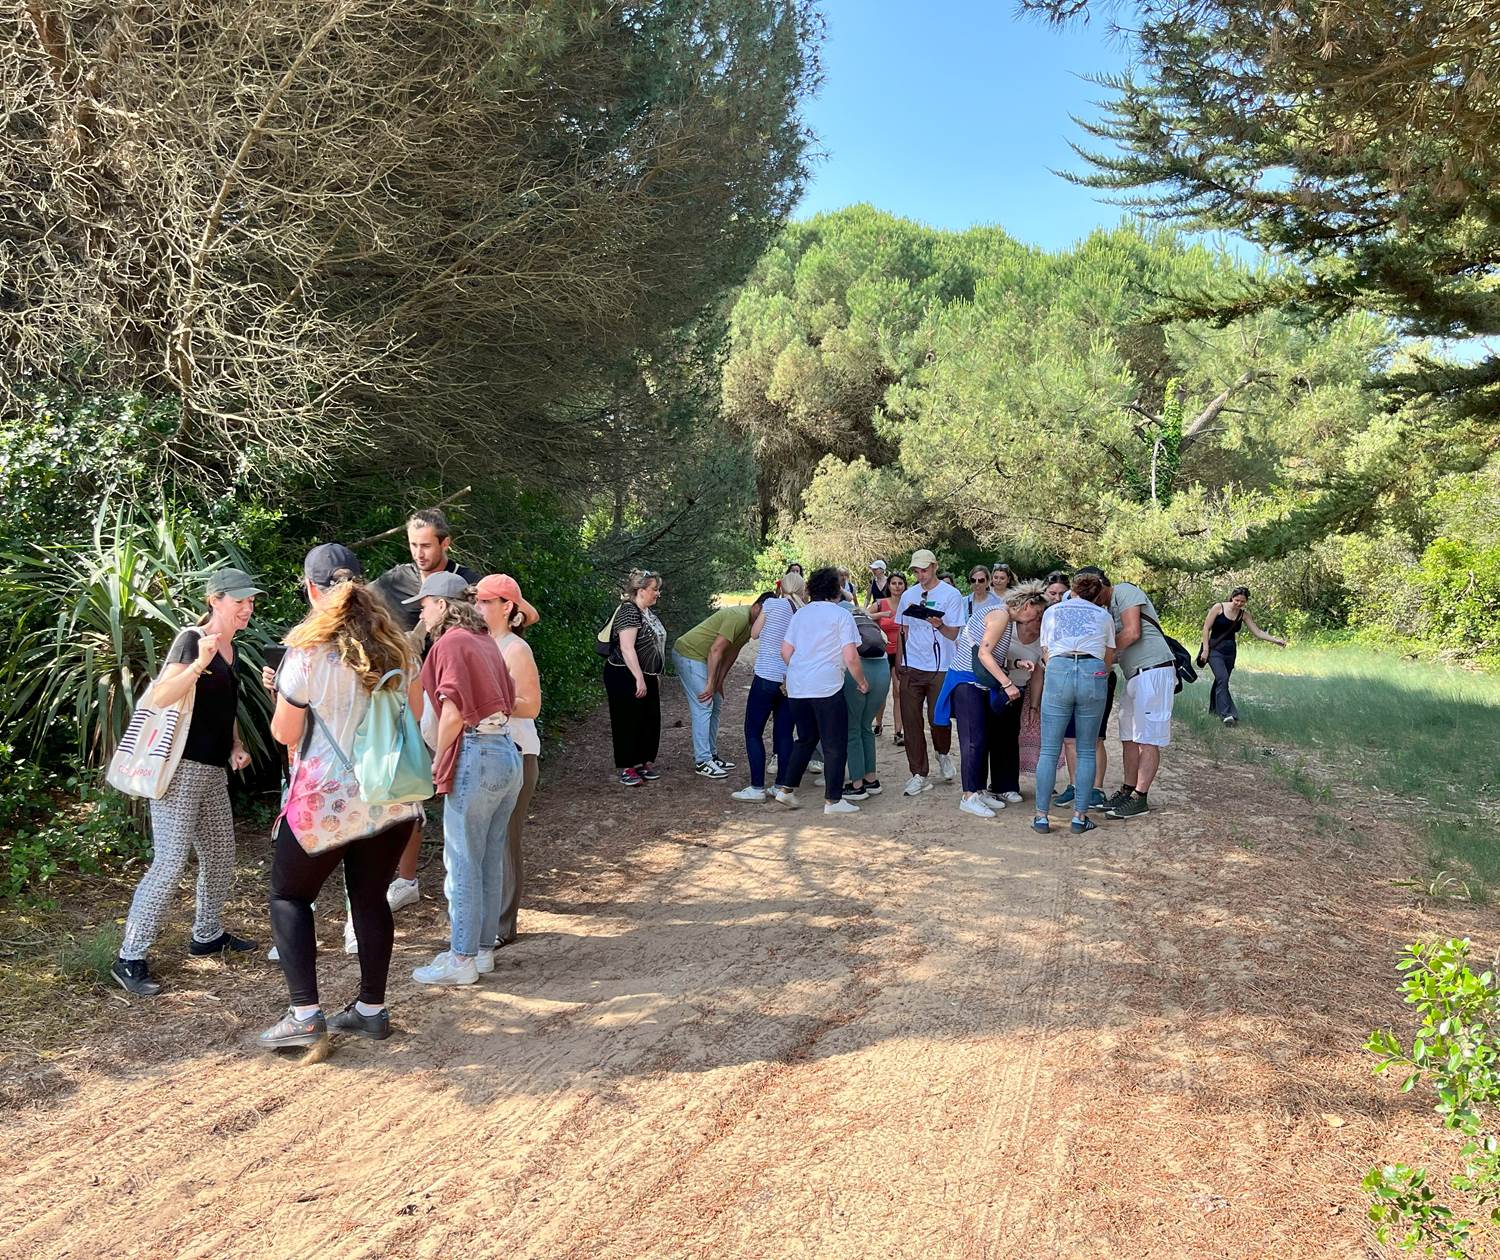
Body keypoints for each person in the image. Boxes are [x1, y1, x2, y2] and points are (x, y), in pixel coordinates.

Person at [258, 544, 425, 1048]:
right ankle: (372, 1008)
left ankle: (305, 1014)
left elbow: (286, 734)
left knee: (289, 895)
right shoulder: (396, 647)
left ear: (311, 589)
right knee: (370, 896)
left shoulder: (305, 654)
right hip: (391, 794)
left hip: (328, 798)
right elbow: (413, 713)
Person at [112, 568, 264, 996]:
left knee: (220, 855)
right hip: (179, 769)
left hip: (213, 768)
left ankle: (207, 935)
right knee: (171, 861)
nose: (248, 607)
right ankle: (129, 956)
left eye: (251, 601)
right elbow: (161, 696)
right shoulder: (191, 639)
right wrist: (199, 662)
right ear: (215, 600)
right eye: (240, 601)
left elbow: (224, 708)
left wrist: (235, 744)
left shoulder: (232, 650)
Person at [408, 572, 521, 987]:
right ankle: (482, 951)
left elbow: (453, 710)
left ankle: (461, 958)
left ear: (442, 604)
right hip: (505, 750)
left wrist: (439, 757)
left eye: (425, 604)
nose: (422, 611)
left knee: (463, 861)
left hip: (476, 751)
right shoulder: (484, 640)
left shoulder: (451, 642)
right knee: (488, 856)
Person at [370, 508, 482, 917]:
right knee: (406, 788)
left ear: (445, 543)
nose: (419, 553)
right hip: (405, 698)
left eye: (426, 545)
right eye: (413, 545)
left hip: (455, 700)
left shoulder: (465, 581)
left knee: (453, 788)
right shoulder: (392, 580)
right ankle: (405, 879)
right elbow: (358, 611)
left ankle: (469, 889)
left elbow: (508, 616)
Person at [475, 573, 541, 948]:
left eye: (486, 601)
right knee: (485, 840)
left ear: (507, 607)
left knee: (503, 840)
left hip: (517, 752)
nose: (479, 607)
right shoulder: (482, 644)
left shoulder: (516, 649)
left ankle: (502, 926)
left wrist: (484, 699)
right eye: (478, 600)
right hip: (488, 753)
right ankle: (486, 922)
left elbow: (531, 706)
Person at [775, 567, 868, 815]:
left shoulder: (800, 615)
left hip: (798, 687)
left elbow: (785, 651)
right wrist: (861, 682)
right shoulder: (840, 615)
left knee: (805, 739)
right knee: (835, 744)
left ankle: (786, 789)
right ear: (836, 589)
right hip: (826, 687)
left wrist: (799, 669)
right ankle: (833, 800)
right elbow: (851, 656)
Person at [1032, 572, 1117, 835]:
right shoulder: (1103, 616)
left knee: (1048, 749)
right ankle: (1079, 816)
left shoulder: (1054, 611)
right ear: (1096, 593)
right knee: (1087, 749)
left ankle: (1041, 816)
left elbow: (1045, 650)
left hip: (1059, 668)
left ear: (1074, 590)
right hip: (1092, 670)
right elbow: (1109, 654)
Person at [1101, 571, 1175, 820]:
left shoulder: (1123, 591)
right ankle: (1128, 789)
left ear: (1102, 584)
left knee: (1148, 738)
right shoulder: (1107, 610)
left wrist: (1104, 657)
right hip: (1134, 675)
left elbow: (1133, 632)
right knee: (1129, 737)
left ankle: (1140, 797)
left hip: (1153, 671)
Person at [947, 582, 1024, 819]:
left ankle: (979, 789)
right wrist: (1007, 683)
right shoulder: (1000, 615)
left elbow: (994, 658)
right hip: (967, 683)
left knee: (983, 739)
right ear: (1026, 605)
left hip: (979, 683)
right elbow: (983, 654)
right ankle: (969, 795)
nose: (1035, 619)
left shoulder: (1004, 618)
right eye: (1036, 612)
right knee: (974, 740)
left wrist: (1016, 664)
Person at [895, 549, 965, 795]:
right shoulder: (908, 595)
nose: (920, 575)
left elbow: (954, 633)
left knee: (939, 719)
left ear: (935, 567)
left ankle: (942, 752)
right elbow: (902, 630)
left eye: (924, 569)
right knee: (911, 720)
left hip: (941, 666)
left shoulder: (951, 594)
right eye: (916, 570)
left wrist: (939, 624)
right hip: (913, 665)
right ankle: (919, 773)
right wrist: (899, 663)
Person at [733, 579, 803, 803]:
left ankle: (756, 787)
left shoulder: (771, 605)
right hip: (789, 679)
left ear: (781, 587)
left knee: (753, 731)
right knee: (784, 734)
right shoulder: (801, 611)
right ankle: (781, 785)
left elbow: (754, 633)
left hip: (766, 674)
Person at [672, 600, 755, 778]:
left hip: (702, 658)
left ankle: (711, 755)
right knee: (704, 703)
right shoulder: (739, 617)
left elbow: (731, 653)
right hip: (689, 654)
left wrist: (719, 681)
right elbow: (715, 650)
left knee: (716, 702)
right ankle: (702, 761)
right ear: (758, 607)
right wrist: (710, 683)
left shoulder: (750, 625)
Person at [986, 583, 1049, 806]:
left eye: (1042, 616)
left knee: (1010, 738)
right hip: (996, 686)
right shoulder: (1007, 626)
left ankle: (1009, 785)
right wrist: (1013, 664)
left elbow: (1039, 675)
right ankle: (991, 785)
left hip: (1018, 691)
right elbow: (988, 654)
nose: (1038, 620)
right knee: (990, 736)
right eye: (1037, 613)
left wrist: (1034, 705)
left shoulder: (1043, 640)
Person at [604, 571, 666, 787]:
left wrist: (654, 674)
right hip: (624, 674)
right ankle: (628, 766)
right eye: (654, 589)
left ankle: (642, 761)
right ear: (641, 591)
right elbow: (627, 647)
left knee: (648, 718)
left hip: (646, 673)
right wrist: (639, 678)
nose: (657, 593)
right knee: (628, 719)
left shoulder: (647, 612)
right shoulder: (628, 611)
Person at [1198, 586, 1286, 725]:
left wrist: (1276, 640)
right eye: (1237, 600)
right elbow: (1206, 628)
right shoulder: (1218, 607)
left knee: (1220, 681)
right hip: (1215, 649)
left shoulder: (1243, 615)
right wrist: (1205, 650)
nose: (1239, 603)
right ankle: (1227, 714)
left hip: (1230, 651)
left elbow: (1257, 632)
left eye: (1242, 602)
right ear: (1232, 597)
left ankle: (1214, 710)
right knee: (1223, 678)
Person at [842, 599, 891, 801]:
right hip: (882, 672)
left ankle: (857, 784)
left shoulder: (844, 623)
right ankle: (871, 779)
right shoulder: (871, 625)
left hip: (858, 673)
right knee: (866, 727)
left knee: (852, 729)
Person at [870, 570, 906, 743]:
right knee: (881, 692)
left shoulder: (908, 604)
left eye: (900, 583)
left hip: (901, 654)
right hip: (883, 653)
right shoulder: (881, 603)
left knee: (898, 692)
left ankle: (898, 732)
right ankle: (878, 723)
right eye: (894, 583)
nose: (897, 586)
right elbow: (863, 615)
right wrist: (881, 615)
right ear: (889, 586)